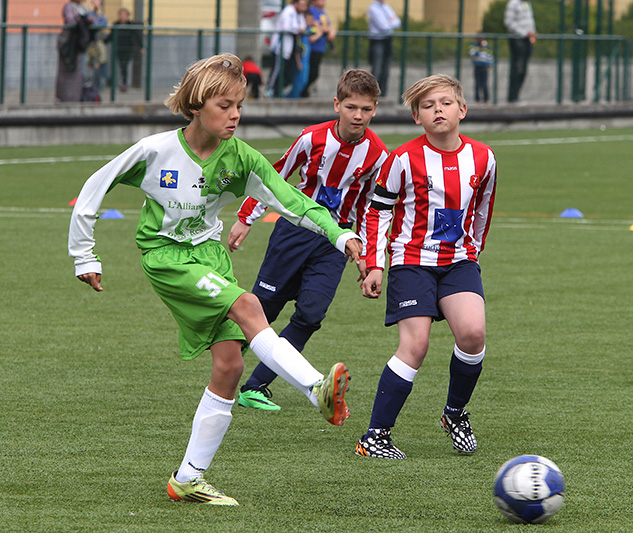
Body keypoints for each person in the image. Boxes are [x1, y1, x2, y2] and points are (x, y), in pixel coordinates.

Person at [68, 54, 359, 505]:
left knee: (229, 366)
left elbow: (291, 201)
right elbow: (94, 187)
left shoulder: (241, 158)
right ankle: (315, 387)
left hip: (211, 257)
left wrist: (340, 235)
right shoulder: (155, 150)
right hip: (167, 257)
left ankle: (188, 478)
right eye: (225, 106)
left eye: (239, 105)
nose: (235, 115)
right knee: (249, 305)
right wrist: (84, 255)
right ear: (196, 105)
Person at [355, 74, 497, 459]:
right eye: (428, 106)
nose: (438, 110)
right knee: (415, 345)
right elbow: (377, 211)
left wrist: (474, 252)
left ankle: (455, 414)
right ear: (417, 117)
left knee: (473, 334)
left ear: (462, 110)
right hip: (412, 262)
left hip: (459, 262)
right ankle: (375, 437)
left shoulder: (484, 157)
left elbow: (483, 209)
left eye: (446, 103)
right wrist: (375, 265)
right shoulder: (402, 159)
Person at [229, 69, 387, 411]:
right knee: (264, 307)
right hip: (294, 231)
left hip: (336, 242)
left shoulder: (378, 155)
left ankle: (255, 387)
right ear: (336, 104)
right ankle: (225, 358)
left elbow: (371, 207)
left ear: (375, 109)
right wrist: (245, 218)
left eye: (366, 109)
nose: (358, 115)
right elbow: (275, 176)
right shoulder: (312, 138)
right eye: (351, 107)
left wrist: (365, 254)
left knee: (311, 314)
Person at [267, 0, 308, 98]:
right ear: (295, 3)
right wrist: (298, 29)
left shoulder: (299, 14)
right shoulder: (288, 12)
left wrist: (299, 29)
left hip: (291, 49)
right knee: (277, 71)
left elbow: (303, 26)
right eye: (302, 5)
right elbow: (287, 28)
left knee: (288, 74)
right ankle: (269, 90)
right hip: (280, 48)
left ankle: (277, 91)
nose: (304, 8)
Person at [56, 0, 91, 102]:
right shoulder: (69, 7)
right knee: (67, 70)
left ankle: (75, 97)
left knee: (78, 72)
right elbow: (70, 20)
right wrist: (81, 20)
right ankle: (64, 98)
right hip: (68, 43)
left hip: (78, 44)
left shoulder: (82, 8)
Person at [301, 0, 336, 98]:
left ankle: (305, 90)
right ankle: (302, 91)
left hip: (320, 46)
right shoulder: (311, 11)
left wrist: (331, 31)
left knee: (315, 72)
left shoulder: (323, 13)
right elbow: (314, 26)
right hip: (312, 47)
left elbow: (327, 26)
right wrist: (323, 29)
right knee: (311, 72)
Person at [504, 0, 537, 104]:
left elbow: (530, 20)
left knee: (523, 70)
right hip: (518, 39)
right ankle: (512, 97)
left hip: (527, 40)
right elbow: (508, 22)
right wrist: (524, 33)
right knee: (518, 68)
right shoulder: (513, 3)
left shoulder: (526, 3)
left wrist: (532, 32)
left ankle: (516, 96)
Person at [367, 0, 401, 97]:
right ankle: (372, 94)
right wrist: (391, 21)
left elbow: (398, 22)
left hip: (387, 40)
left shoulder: (386, 7)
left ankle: (383, 94)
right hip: (377, 40)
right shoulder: (373, 8)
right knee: (377, 69)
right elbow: (383, 26)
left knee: (386, 70)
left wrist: (389, 22)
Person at [106, 7, 144, 92]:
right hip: (117, 48)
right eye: (121, 14)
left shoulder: (130, 25)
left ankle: (124, 83)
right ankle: (115, 83)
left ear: (127, 16)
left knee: (125, 66)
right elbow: (111, 36)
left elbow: (137, 36)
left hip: (127, 49)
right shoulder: (116, 24)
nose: (122, 16)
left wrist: (141, 46)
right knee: (117, 66)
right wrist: (103, 42)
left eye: (124, 15)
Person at [285, 11, 322, 99]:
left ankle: (294, 97)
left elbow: (318, 31)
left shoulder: (309, 30)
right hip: (301, 61)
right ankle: (291, 97)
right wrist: (298, 62)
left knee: (304, 81)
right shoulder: (303, 31)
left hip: (306, 61)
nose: (310, 21)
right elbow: (298, 49)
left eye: (312, 19)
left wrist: (317, 25)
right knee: (298, 81)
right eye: (309, 19)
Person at [85, 0, 108, 96]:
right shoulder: (88, 11)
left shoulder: (99, 13)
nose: (98, 2)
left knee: (101, 64)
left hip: (98, 40)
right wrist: (97, 22)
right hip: (89, 42)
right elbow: (92, 24)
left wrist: (97, 21)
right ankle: (88, 87)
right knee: (88, 66)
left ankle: (98, 86)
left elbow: (104, 23)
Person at [469, 34, 494, 104]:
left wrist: (489, 64)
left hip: (484, 67)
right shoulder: (474, 46)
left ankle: (486, 99)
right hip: (477, 67)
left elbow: (490, 56)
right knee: (477, 84)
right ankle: (477, 99)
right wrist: (480, 48)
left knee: (485, 84)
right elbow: (472, 54)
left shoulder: (487, 47)